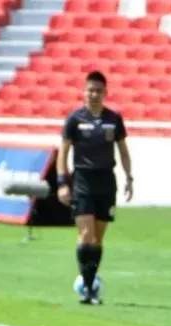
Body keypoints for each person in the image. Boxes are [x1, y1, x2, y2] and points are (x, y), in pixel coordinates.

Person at [56, 70, 133, 305]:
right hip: (82, 181)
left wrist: (129, 177)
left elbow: (122, 150)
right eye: (90, 90)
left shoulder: (114, 119)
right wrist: (62, 182)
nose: (94, 94)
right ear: (83, 92)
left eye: (99, 90)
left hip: (106, 182)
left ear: (106, 93)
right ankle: (88, 290)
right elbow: (63, 151)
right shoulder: (75, 120)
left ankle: (89, 284)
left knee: (98, 238)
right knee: (86, 234)